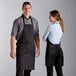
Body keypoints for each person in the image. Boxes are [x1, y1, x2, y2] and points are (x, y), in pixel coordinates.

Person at [10, 2, 40, 76]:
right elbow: (13, 36)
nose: (27, 10)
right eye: (25, 8)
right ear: (22, 9)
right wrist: (12, 50)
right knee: (20, 70)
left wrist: (38, 48)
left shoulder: (35, 21)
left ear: (31, 9)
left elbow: (36, 36)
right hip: (21, 49)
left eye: (29, 8)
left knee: (28, 71)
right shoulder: (17, 21)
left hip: (31, 49)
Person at [43, 10, 64, 76]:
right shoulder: (61, 26)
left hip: (50, 50)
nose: (49, 18)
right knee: (59, 70)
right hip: (59, 50)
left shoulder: (50, 26)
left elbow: (44, 37)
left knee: (49, 71)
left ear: (54, 17)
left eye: (50, 16)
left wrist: (49, 38)